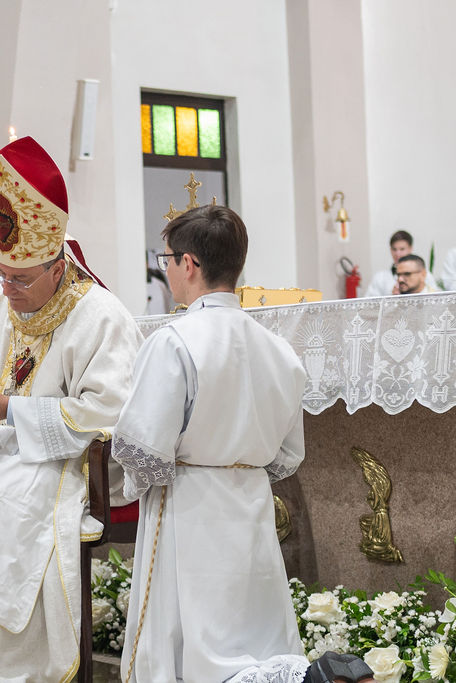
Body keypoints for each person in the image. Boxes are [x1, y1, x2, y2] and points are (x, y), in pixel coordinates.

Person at [112, 205, 374, 682]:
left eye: (166, 258)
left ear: (188, 263)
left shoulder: (173, 342)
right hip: (252, 507)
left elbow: (142, 453)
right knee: (257, 642)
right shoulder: (279, 349)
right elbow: (288, 455)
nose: (165, 268)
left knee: (189, 651)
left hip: (188, 509)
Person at [0, 137, 142, 681]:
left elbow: (109, 414)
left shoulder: (101, 317)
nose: (7, 289)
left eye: (20, 278)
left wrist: (11, 413)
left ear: (57, 268)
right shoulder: (0, 297)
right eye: (1, 274)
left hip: (60, 462)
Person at [363, 230, 437, 297]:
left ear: (410, 248)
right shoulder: (380, 278)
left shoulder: (423, 275)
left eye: (402, 249)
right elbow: (369, 303)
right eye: (394, 249)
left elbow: (434, 298)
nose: (398, 254)